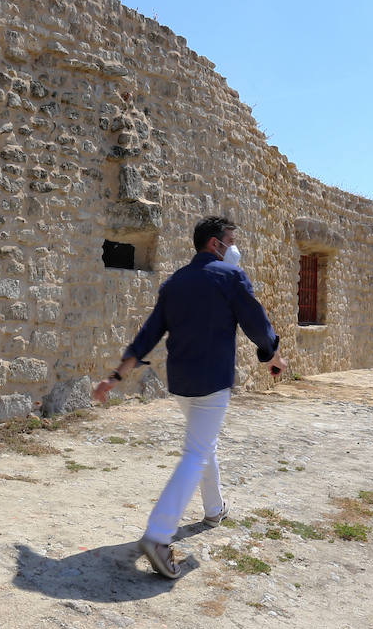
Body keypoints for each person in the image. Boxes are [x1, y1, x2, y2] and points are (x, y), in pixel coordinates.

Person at [93, 216, 287, 579]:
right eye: (231, 239)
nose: (234, 246)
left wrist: (117, 375)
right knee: (197, 452)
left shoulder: (174, 282)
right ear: (215, 244)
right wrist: (272, 355)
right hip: (212, 381)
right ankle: (158, 535)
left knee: (203, 444)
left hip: (182, 382)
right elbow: (256, 322)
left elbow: (149, 332)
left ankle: (214, 509)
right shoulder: (230, 277)